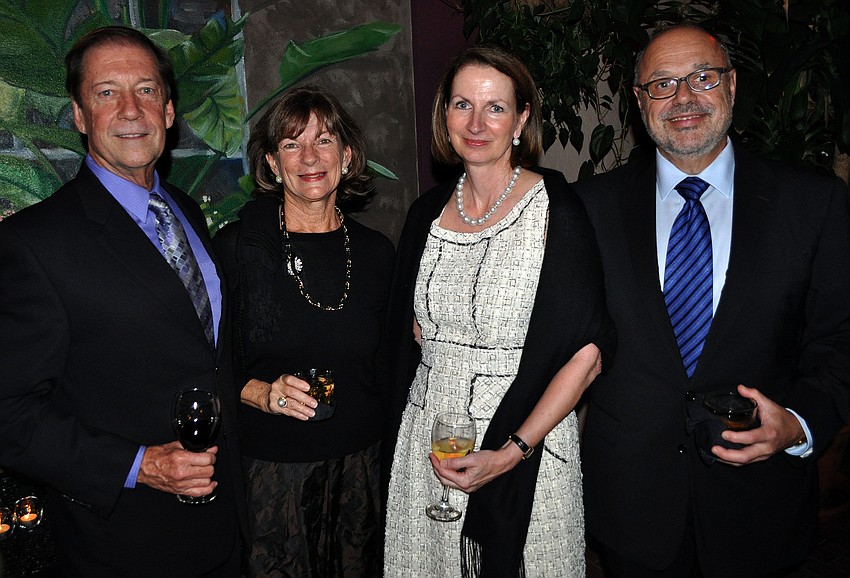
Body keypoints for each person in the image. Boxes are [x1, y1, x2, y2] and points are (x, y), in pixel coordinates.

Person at [574, 23, 850, 578]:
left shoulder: (813, 204)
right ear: (639, 100)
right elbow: (555, 330)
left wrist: (797, 424)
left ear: (730, 85)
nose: (683, 98)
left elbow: (840, 342)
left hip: (761, 509)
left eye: (701, 77)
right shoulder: (587, 208)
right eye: (662, 84)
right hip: (631, 510)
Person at [0, 26, 246, 575]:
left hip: (224, 524)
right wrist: (141, 465)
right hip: (124, 543)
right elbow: (8, 416)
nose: (131, 109)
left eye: (147, 90)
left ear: (169, 111)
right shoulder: (34, 244)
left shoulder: (184, 209)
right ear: (80, 116)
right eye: (107, 92)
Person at [383, 45, 615, 578]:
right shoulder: (425, 214)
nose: (476, 123)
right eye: (462, 105)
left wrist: (512, 451)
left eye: (495, 107)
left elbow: (588, 352)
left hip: (526, 440)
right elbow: (406, 329)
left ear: (522, 119)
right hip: (429, 443)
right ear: (445, 115)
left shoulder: (557, 210)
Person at [213, 86, 394, 577]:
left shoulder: (378, 254)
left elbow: (394, 363)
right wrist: (261, 393)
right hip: (272, 473)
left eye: (324, 140)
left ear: (348, 154)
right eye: (292, 144)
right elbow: (205, 362)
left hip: (362, 468)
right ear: (272, 163)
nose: (309, 157)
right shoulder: (238, 249)